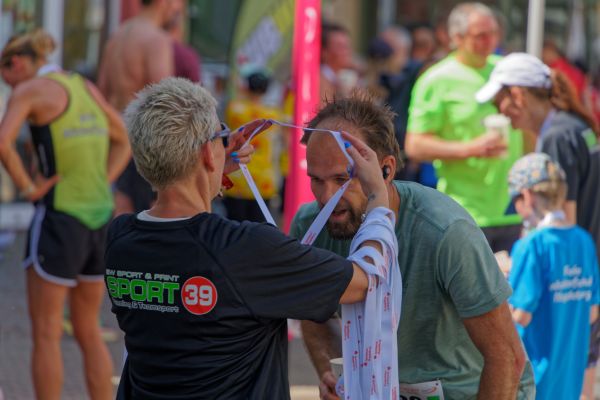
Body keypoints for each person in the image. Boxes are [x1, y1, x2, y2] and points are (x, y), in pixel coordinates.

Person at [105, 77, 398, 399]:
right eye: (222, 136)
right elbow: (366, 279)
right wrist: (376, 195)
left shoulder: (121, 240)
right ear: (207, 153)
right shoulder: (244, 249)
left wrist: (209, 169)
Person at [291, 92, 534, 399]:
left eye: (342, 179)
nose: (327, 197)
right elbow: (312, 311)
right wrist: (333, 369)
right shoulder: (311, 226)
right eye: (316, 179)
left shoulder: (445, 231)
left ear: (386, 170)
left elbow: (507, 357)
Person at [0, 29, 130, 399]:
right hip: (98, 218)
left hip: (60, 218)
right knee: (88, 329)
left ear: (17, 63)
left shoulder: (30, 90)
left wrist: (27, 188)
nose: (8, 86)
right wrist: (103, 181)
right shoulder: (82, 85)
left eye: (5, 76)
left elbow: (3, 141)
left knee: (46, 331)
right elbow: (123, 137)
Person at [476, 51, 600, 400]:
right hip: (583, 276)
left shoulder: (557, 136)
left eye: (500, 101)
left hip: (560, 299)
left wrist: (521, 261)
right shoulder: (574, 126)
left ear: (518, 94)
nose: (501, 112)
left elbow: (563, 220)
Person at [405, 2, 523, 253]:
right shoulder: (436, 80)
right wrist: (471, 148)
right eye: (480, 35)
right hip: (465, 211)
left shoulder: (505, 70)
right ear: (456, 38)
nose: (490, 41)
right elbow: (414, 146)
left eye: (494, 33)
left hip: (514, 207)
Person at [506, 153, 600, 399]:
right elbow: (592, 313)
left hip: (536, 377)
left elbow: (520, 316)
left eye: (515, 201)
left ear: (527, 195)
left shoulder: (532, 246)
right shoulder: (583, 240)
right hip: (570, 374)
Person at [97, 0, 183, 215]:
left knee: (118, 212)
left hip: (114, 135)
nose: (177, 8)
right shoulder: (156, 40)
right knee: (146, 217)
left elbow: (102, 93)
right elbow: (164, 102)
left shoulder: (118, 36)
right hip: (142, 139)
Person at [223, 67, 282, 222]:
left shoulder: (235, 109)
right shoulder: (273, 114)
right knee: (259, 226)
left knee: (234, 225)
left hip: (237, 177)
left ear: (247, 86)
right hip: (263, 180)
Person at [319, 23, 356, 107]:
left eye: (347, 46)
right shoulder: (319, 81)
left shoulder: (340, 79)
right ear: (324, 52)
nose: (347, 51)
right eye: (340, 47)